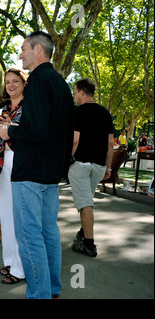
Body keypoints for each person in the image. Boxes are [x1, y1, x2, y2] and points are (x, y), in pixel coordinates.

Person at [0, 31, 74, 299]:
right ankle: (51, 289)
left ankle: (39, 293)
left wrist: (10, 132)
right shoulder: (61, 84)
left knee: (30, 235)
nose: (20, 55)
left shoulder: (39, 81)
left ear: (38, 50)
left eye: (23, 50)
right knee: (49, 233)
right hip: (51, 174)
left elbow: (36, 129)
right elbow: (62, 132)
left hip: (30, 172)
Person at [0, 69, 28, 285]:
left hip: (21, 162)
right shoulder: (3, 108)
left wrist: (8, 126)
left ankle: (21, 269)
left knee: (20, 216)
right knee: (6, 214)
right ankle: (10, 261)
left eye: (15, 81)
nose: (10, 85)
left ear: (24, 82)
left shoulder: (29, 106)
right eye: (7, 82)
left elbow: (29, 134)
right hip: (2, 163)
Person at [68, 78, 114, 258]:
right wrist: (108, 166)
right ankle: (83, 232)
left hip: (81, 165)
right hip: (99, 166)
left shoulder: (78, 112)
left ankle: (89, 244)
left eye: (75, 92)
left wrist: (66, 161)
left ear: (81, 92)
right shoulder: (105, 113)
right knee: (86, 200)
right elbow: (110, 143)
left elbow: (74, 140)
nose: (74, 95)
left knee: (85, 204)